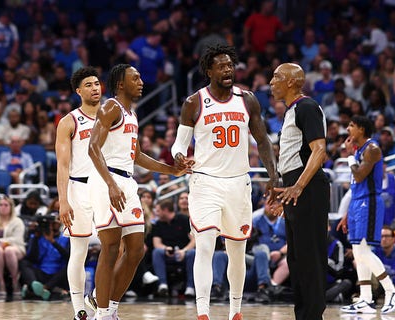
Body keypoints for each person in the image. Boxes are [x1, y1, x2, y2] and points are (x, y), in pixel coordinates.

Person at [172, 45, 278, 320]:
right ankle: (203, 313)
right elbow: (178, 146)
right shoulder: (194, 102)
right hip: (206, 183)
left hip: (238, 184)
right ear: (209, 71)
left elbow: (263, 140)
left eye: (231, 65)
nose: (228, 70)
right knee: (205, 245)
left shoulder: (248, 99)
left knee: (237, 250)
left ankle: (235, 312)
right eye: (222, 66)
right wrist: (180, 157)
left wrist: (273, 175)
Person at [87, 64, 190, 320]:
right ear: (120, 84)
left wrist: (171, 170)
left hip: (127, 182)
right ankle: (101, 313)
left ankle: (109, 307)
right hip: (107, 180)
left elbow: (137, 156)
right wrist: (110, 184)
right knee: (110, 247)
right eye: (135, 78)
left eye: (141, 77)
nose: (141, 81)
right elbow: (92, 148)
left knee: (136, 250)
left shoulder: (131, 114)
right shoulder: (111, 107)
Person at [270, 62, 330, 320]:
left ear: (293, 82)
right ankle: (303, 315)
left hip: (308, 187)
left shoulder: (307, 107)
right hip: (295, 186)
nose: (272, 82)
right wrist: (283, 186)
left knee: (310, 258)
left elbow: (319, 150)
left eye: (277, 77)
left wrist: (298, 186)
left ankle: (314, 316)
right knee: (296, 259)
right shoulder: (291, 111)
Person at [337, 115, 395, 314]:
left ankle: (392, 292)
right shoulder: (359, 150)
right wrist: (348, 213)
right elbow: (355, 186)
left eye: (351, 125)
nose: (348, 128)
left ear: (361, 129)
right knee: (358, 252)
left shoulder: (372, 149)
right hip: (358, 202)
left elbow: (359, 175)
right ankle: (366, 300)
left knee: (365, 251)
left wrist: (349, 155)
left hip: (371, 201)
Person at [56, 66, 101, 320]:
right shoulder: (69, 121)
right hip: (79, 187)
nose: (95, 88)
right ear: (78, 91)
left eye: (97, 83)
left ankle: (96, 295)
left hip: (107, 187)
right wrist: (63, 201)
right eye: (89, 85)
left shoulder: (111, 115)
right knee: (79, 249)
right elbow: (62, 165)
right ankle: (79, 309)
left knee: (119, 245)